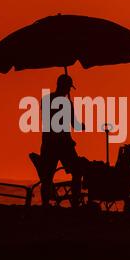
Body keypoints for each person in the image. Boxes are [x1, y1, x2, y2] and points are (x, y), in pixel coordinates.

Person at [40, 73, 85, 208]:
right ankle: (75, 203)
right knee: (77, 172)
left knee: (47, 177)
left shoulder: (46, 99)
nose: (69, 91)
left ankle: (45, 203)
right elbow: (74, 124)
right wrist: (82, 125)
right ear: (65, 87)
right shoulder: (65, 103)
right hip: (64, 145)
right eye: (68, 88)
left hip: (48, 143)